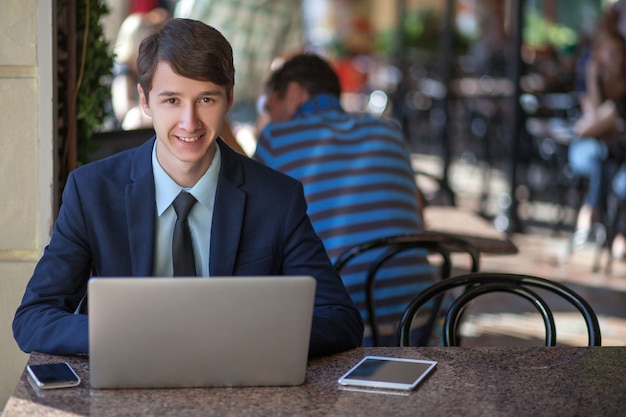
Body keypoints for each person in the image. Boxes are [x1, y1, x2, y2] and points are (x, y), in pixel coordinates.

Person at [13, 19, 363, 357]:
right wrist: (121, 334)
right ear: (145, 101)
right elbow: (33, 317)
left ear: (228, 98)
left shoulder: (277, 197)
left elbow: (340, 318)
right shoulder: (91, 191)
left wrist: (247, 336)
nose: (189, 122)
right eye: (172, 100)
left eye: (206, 100)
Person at [253, 53, 437, 346]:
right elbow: (417, 212)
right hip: (422, 315)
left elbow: (259, 236)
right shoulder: (388, 129)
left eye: (269, 106)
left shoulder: (276, 138)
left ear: (294, 93)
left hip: (342, 325)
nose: (268, 116)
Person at [173, 0, 305, 154]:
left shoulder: (289, 6)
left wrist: (271, 109)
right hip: (201, 101)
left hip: (249, 106)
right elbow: (177, 44)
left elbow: (289, 63)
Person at [567, 27, 626, 246]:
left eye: (621, 53)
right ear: (600, 56)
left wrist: (595, 124)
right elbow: (588, 124)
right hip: (594, 151)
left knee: (607, 163)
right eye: (612, 53)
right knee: (600, 158)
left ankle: (591, 216)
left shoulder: (622, 95)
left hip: (618, 155)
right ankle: (601, 222)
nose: (618, 59)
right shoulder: (593, 81)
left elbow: (587, 127)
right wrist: (591, 77)